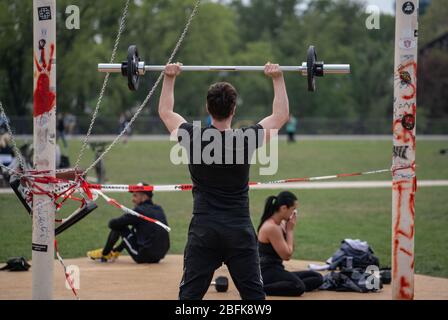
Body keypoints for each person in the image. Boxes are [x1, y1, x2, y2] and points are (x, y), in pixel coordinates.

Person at [158, 62, 290, 300]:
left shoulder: (192, 136)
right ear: (233, 110)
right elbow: (280, 117)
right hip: (238, 230)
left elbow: (166, 113)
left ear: (208, 108)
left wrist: (169, 77)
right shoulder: (246, 138)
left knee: (189, 299)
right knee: (254, 299)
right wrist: (278, 78)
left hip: (204, 231)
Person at [257, 191, 323, 296]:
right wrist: (290, 231)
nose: (295, 213)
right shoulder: (271, 227)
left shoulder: (282, 223)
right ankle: (257, 289)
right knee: (298, 287)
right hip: (266, 272)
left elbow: (290, 248)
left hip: (277, 269)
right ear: (284, 208)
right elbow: (287, 255)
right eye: (293, 209)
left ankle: (287, 284)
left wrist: (289, 229)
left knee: (317, 277)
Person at [87, 183, 170, 263]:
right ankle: (115, 251)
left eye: (135, 195)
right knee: (136, 228)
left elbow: (113, 224)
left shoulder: (138, 211)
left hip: (143, 256)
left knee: (120, 227)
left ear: (144, 197)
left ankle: (105, 254)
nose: (132, 199)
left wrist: (126, 219)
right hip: (160, 255)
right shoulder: (159, 208)